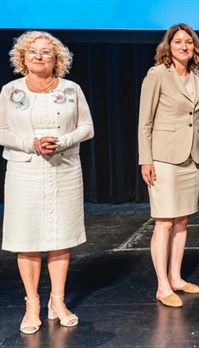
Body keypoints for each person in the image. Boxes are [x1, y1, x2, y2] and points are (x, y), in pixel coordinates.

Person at [1, 31, 94, 333]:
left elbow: (87, 126)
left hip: (64, 169)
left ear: (58, 59)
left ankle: (58, 300)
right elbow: (2, 131)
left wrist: (64, 140)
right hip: (24, 171)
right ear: (22, 58)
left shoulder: (71, 89)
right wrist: (32, 143)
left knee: (60, 237)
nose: (39, 56)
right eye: (32, 52)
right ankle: (31, 303)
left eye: (46, 52)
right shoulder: (10, 91)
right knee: (26, 239)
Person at [138, 23, 199, 308]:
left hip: (192, 156)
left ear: (194, 47)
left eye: (188, 42)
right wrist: (146, 158)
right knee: (164, 221)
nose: (183, 47)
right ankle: (162, 285)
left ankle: (177, 278)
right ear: (168, 46)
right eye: (178, 42)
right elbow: (145, 120)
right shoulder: (157, 75)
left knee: (182, 220)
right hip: (164, 157)